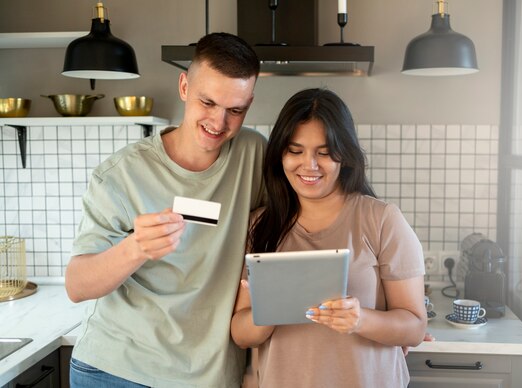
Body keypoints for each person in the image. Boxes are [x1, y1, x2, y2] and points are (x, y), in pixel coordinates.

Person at [65, 32, 266, 388]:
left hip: (208, 376)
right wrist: (136, 247)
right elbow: (77, 285)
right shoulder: (121, 174)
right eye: (208, 102)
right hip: (117, 370)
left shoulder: (254, 154)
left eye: (235, 110)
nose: (218, 123)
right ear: (184, 86)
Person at [231, 88, 428, 387]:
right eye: (295, 151)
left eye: (323, 153)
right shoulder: (260, 226)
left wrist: (361, 320)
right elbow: (240, 334)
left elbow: (414, 327)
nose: (309, 165)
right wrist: (271, 309)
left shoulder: (381, 219)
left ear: (344, 156)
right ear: (280, 155)